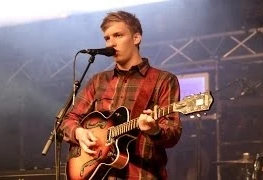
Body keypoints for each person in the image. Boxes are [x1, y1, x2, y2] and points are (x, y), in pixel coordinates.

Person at [61, 10, 182, 180]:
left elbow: (173, 133)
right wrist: (79, 133)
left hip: (141, 175)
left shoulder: (163, 80)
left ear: (136, 38)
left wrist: (155, 130)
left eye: (118, 35)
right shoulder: (98, 81)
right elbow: (67, 120)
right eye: (107, 38)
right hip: (98, 175)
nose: (111, 43)